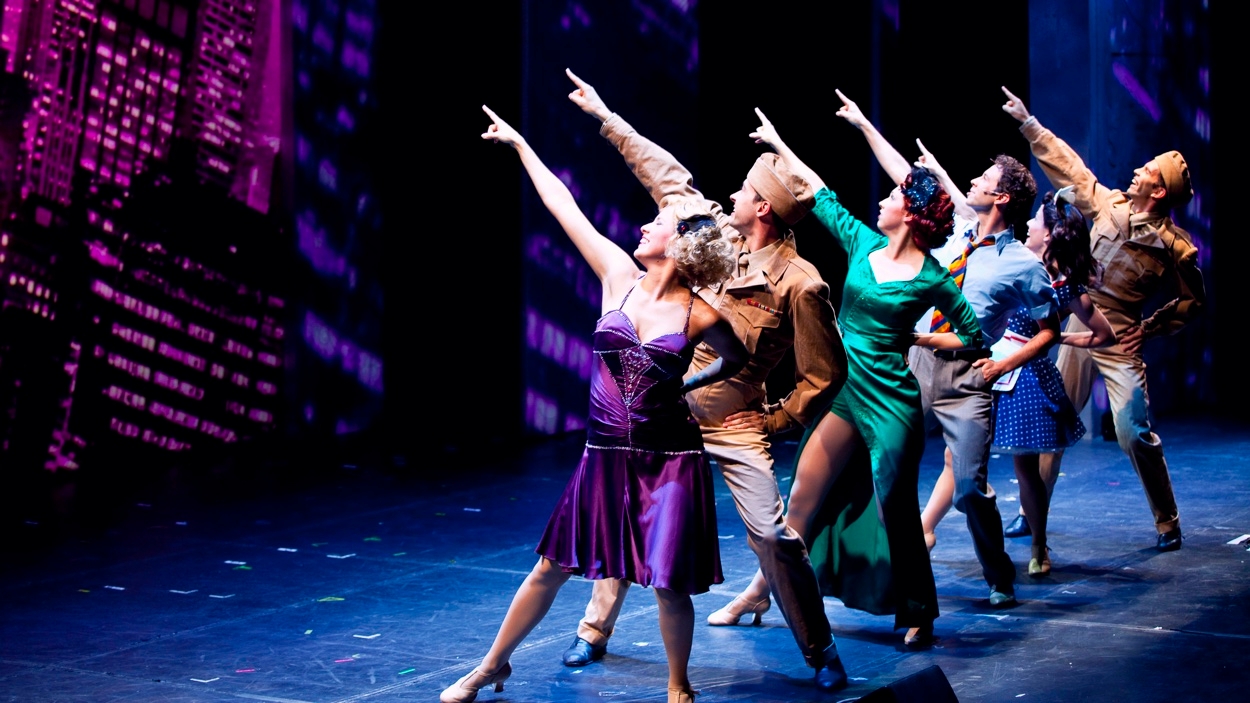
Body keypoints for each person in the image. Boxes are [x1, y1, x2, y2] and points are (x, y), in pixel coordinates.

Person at [442, 106, 748, 703]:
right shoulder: (616, 275)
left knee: (667, 584)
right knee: (550, 568)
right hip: (603, 455)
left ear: (679, 246)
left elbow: (736, 360)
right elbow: (564, 206)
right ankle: (491, 667)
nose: (643, 227)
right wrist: (522, 145)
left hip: (668, 461)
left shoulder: (701, 313)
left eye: (656, 223)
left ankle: (678, 685)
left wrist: (684, 390)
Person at [561, 70, 851, 691]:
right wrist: (605, 114)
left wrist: (776, 419)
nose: (732, 195)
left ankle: (819, 647)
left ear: (764, 210)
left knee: (774, 533)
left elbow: (825, 374)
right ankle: (593, 629)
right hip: (670, 407)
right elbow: (663, 172)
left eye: (745, 191)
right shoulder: (707, 231)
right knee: (621, 503)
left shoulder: (801, 283)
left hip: (737, 417)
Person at [719, 103, 983, 649]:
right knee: (799, 504)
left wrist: (921, 339)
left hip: (892, 405)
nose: (882, 199)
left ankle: (917, 611)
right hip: (846, 394)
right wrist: (778, 141)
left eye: (893, 196)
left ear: (910, 214)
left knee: (897, 512)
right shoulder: (864, 244)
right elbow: (816, 192)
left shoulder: (933, 279)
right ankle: (761, 590)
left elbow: (972, 335)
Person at [827, 91, 1059, 616]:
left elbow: (1050, 330)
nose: (973, 183)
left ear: (1000, 200)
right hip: (914, 365)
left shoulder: (1022, 264)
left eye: (983, 182)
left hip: (969, 378)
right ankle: (882, 573)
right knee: (878, 465)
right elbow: (909, 180)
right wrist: (864, 124)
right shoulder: (953, 230)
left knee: (969, 490)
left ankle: (998, 573)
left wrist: (1003, 362)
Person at [1002, 86, 1205, 552]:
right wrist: (1029, 123)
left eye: (1146, 170)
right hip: (1080, 316)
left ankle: (1167, 520)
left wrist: (1148, 329)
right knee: (1051, 419)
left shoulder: (1177, 247)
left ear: (1159, 190)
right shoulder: (1110, 206)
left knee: (1133, 429)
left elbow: (1193, 303)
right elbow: (1071, 168)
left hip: (1120, 334)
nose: (1136, 171)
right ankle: (1032, 516)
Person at [913, 163, 1117, 574]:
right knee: (958, 459)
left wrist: (1059, 339)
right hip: (985, 363)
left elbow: (1084, 332)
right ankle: (925, 529)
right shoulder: (983, 247)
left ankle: (1038, 544)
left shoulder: (1041, 274)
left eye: (1036, 224)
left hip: (1018, 374)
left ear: (1049, 235)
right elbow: (964, 203)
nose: (1029, 228)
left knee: (1026, 468)